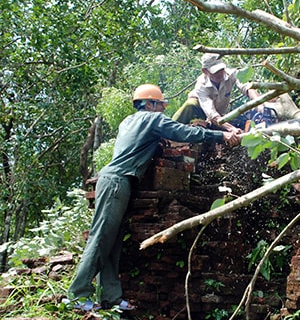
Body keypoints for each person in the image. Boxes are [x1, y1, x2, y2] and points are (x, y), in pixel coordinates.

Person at [64, 84, 239, 312]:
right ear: (149, 104)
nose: (162, 111)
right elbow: (186, 133)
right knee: (101, 238)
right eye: (159, 105)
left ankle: (111, 298)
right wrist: (221, 135)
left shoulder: (128, 122)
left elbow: (139, 146)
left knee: (113, 240)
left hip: (116, 182)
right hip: (117, 182)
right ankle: (76, 296)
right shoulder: (152, 120)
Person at [172, 53, 261, 134]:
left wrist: (260, 103)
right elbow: (212, 114)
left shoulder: (231, 74)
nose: (219, 74)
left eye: (221, 70)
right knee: (190, 104)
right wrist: (231, 129)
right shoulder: (201, 86)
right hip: (201, 112)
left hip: (219, 114)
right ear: (205, 71)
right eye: (215, 72)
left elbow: (247, 86)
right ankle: (167, 130)